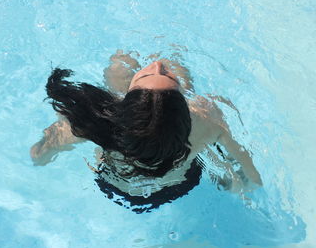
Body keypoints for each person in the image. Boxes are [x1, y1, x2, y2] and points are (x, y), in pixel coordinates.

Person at [30, 50, 262, 213]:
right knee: (176, 65)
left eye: (151, 74)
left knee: (119, 65)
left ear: (123, 109)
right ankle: (167, 84)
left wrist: (51, 137)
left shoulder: (99, 126)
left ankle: (144, 86)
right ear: (184, 111)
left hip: (117, 188)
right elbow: (247, 176)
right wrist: (243, 193)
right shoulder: (207, 119)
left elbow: (39, 154)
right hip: (179, 185)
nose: (156, 65)